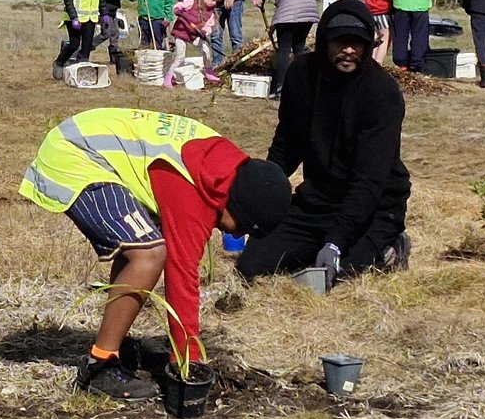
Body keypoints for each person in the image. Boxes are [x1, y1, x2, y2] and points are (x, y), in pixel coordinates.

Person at [19, 107, 296, 401]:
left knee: (140, 243)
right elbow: (181, 276)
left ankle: (117, 342)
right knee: (149, 253)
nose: (237, 235)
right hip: (76, 154)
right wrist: (187, 357)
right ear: (237, 206)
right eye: (241, 227)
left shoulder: (222, 168)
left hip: (85, 139)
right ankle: (99, 366)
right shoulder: (191, 188)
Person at [239, 0, 413, 282]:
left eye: (356, 43)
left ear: (368, 45)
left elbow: (369, 180)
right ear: (323, 42)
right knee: (252, 264)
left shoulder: (382, 94)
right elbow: (287, 144)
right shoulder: (302, 76)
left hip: (374, 206)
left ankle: (391, 243)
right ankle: (322, 245)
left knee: (335, 277)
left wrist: (336, 241)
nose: (348, 50)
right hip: (316, 203)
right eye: (339, 42)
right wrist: (261, 193)